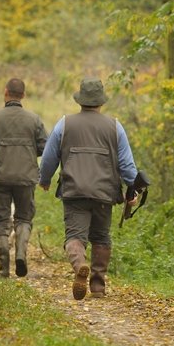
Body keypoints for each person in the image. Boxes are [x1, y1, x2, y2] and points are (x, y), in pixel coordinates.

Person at [39, 78, 138, 300]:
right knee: (101, 237)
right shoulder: (115, 127)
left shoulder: (64, 124)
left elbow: (48, 157)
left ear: (80, 101)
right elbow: (127, 165)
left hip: (74, 191)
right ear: (101, 102)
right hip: (105, 192)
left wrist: (44, 179)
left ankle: (80, 265)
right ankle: (98, 287)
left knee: (75, 236)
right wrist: (134, 189)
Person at [0, 78, 48, 278]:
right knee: (24, 217)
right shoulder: (34, 119)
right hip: (26, 178)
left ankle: (3, 268)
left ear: (5, 92)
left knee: (1, 220)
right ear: (23, 95)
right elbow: (45, 147)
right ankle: (21, 255)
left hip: (0, 177)